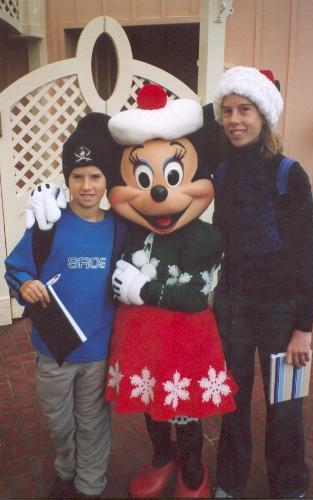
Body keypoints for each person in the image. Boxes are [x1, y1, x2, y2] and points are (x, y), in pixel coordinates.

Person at [104, 83, 238, 498]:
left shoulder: (203, 238)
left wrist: (144, 288)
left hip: (185, 343)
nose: (159, 192)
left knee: (184, 410)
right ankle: (162, 455)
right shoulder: (126, 230)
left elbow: (196, 296)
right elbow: (88, 221)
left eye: (173, 176)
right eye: (145, 178)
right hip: (142, 341)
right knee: (151, 403)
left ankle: (192, 462)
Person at [211, 66, 313, 499]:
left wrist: (303, 329)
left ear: (263, 116)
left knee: (285, 406)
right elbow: (219, 240)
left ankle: (289, 484)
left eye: (245, 110)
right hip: (233, 309)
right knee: (232, 402)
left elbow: (310, 259)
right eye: (228, 111)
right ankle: (229, 481)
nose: (235, 120)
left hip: (282, 313)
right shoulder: (222, 174)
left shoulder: (288, 174)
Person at [4, 112, 126, 499]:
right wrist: (26, 286)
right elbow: (16, 268)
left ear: (107, 179)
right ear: (67, 179)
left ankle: (90, 484)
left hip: (96, 351)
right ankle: (65, 469)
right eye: (77, 177)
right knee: (60, 422)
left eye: (95, 176)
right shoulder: (49, 225)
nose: (87, 186)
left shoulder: (119, 228)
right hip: (53, 349)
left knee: (92, 421)